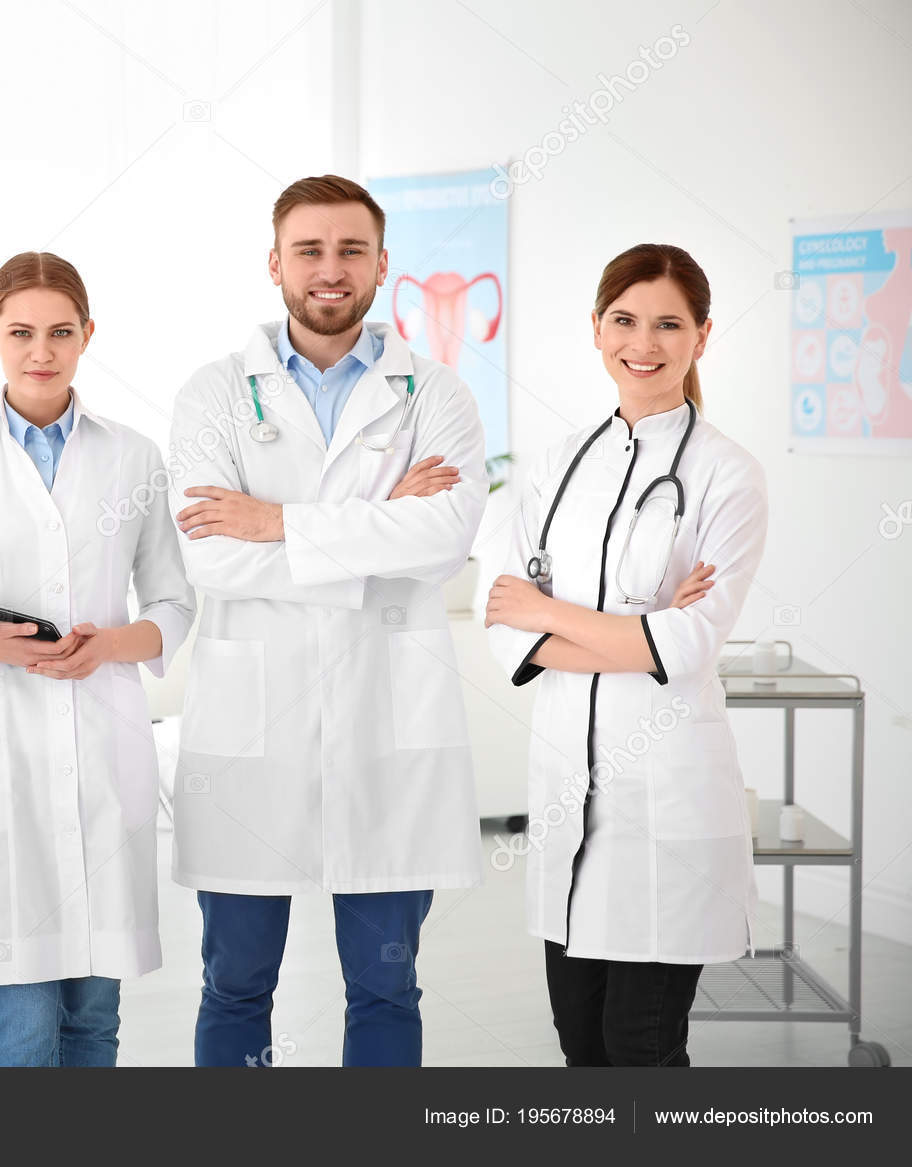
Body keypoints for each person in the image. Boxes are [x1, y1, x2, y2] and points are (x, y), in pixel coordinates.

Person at [167, 175, 488, 1067]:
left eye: (351, 250)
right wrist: (379, 521)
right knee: (235, 983)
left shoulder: (438, 394)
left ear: (383, 265)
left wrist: (274, 519)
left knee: (386, 986)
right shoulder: (213, 394)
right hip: (250, 732)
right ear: (275, 263)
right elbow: (209, 556)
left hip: (390, 727)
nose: (330, 268)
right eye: (309, 249)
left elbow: (446, 538)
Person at [0, 252, 195, 1066]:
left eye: (60, 332)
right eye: (20, 332)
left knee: (95, 1016)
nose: (41, 351)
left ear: (88, 335)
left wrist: (108, 647)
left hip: (104, 739)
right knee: (22, 1021)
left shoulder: (133, 455)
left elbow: (172, 604)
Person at [484, 243, 768, 1067]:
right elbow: (506, 625)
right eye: (625, 320)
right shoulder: (557, 465)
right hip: (569, 795)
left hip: (669, 803)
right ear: (598, 330)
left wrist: (552, 614)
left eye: (669, 324)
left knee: (638, 1044)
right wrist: (629, 635)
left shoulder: (727, 475)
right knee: (581, 1044)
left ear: (702, 337)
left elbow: (687, 643)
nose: (643, 342)